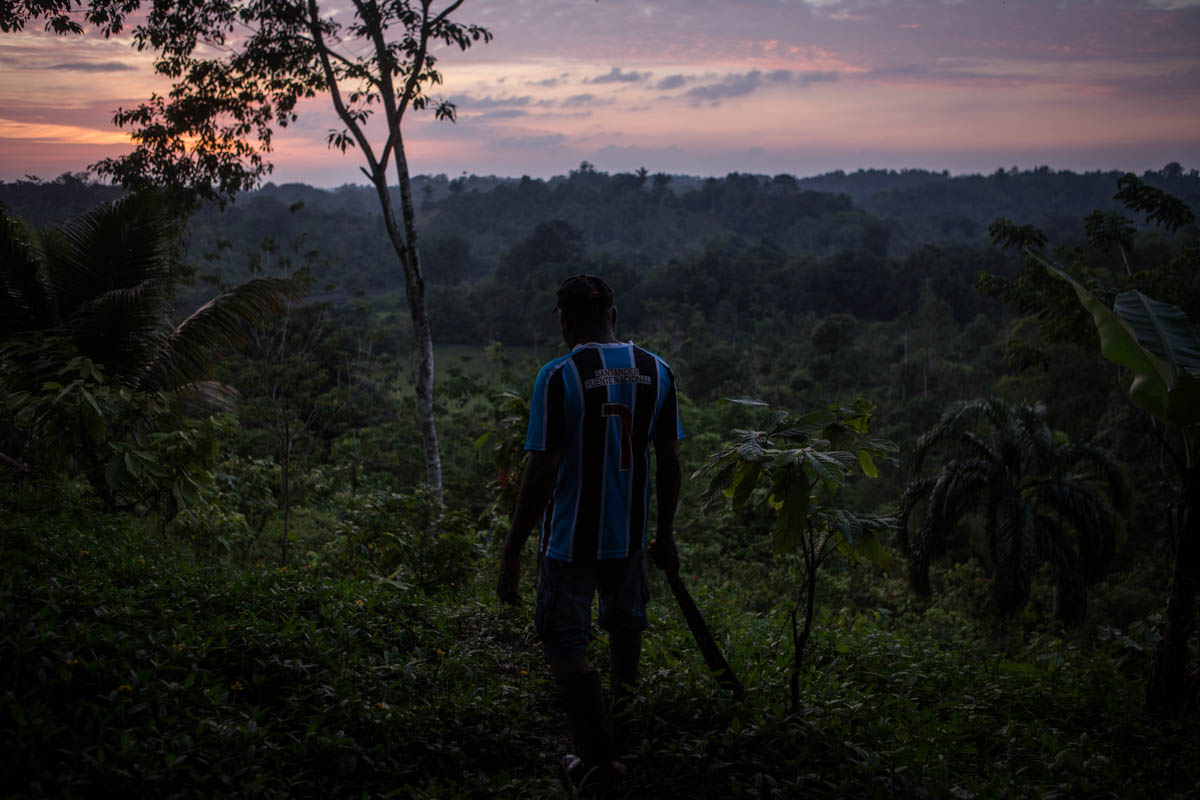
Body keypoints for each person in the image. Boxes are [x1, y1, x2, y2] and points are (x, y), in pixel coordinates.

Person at [497, 273, 683, 781]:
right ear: (613, 315)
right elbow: (670, 459)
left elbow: (541, 470)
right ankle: (623, 736)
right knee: (625, 630)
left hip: (568, 541)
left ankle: (598, 760)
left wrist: (511, 553)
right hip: (630, 537)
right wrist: (665, 533)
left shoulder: (559, 376)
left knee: (563, 642)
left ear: (565, 322)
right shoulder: (658, 370)